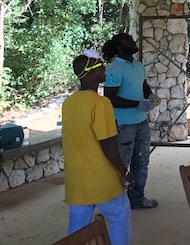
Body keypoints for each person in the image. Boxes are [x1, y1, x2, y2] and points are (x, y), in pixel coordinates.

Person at [62, 49, 135, 245]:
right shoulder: (101, 103)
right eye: (102, 66)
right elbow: (107, 143)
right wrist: (124, 171)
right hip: (100, 177)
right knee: (119, 214)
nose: (105, 69)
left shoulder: (68, 103)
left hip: (77, 179)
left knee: (78, 227)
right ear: (93, 73)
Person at [102, 33, 159, 209]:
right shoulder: (114, 68)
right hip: (123, 124)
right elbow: (109, 97)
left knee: (141, 162)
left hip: (141, 121)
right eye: (128, 41)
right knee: (122, 163)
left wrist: (150, 95)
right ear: (119, 47)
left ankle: (137, 198)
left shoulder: (138, 65)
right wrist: (137, 103)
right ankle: (116, 202)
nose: (133, 42)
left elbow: (143, 84)